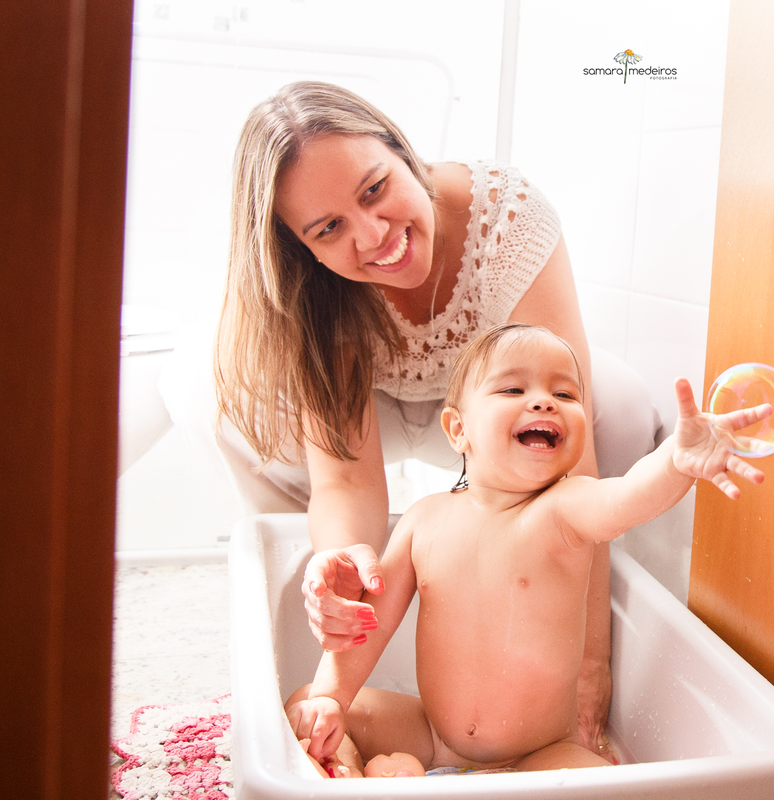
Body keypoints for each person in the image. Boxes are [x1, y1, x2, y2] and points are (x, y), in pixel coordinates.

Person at [160, 80, 664, 756]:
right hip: (383, 405)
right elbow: (346, 482)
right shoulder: (319, 292)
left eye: (374, 190)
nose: (374, 236)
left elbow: (581, 465)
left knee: (620, 408)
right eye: (328, 229)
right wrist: (346, 557)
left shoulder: (508, 223)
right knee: (217, 395)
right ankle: (294, 587)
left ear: (404, 152)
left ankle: (531, 557)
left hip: (492, 402)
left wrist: (592, 664)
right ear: (301, 247)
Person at [285, 323, 769, 776]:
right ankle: (345, 772)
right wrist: (332, 697)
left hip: (537, 755)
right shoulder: (423, 521)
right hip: (433, 736)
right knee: (304, 705)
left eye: (565, 393)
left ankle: (407, 784)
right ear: (458, 430)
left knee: (609, 787)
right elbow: (371, 625)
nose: (544, 403)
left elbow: (627, 499)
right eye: (514, 390)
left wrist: (676, 462)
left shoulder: (564, 511)